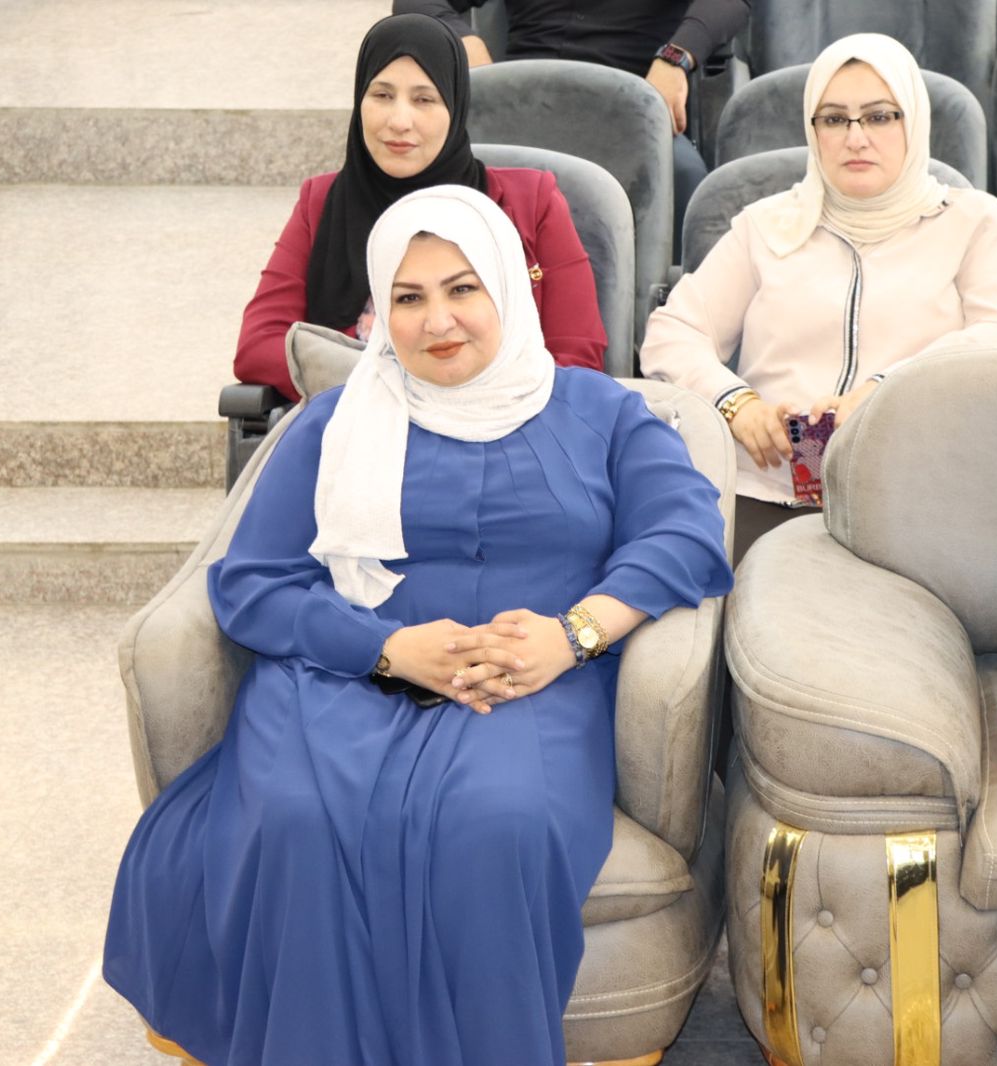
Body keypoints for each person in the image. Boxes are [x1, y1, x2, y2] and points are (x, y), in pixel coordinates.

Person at [104, 184, 733, 1065]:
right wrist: (389, 648)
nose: (438, 320)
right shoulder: (332, 423)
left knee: (496, 823)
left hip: (527, 684)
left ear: (507, 285)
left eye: (462, 288)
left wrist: (573, 636)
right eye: (408, 297)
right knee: (295, 819)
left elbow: (685, 532)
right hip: (345, 677)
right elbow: (252, 583)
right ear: (379, 311)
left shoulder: (602, 413)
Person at [639, 33, 997, 563]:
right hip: (765, 488)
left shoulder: (977, 223)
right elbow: (674, 332)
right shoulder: (767, 226)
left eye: (879, 117)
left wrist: (886, 389)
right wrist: (734, 402)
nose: (856, 138)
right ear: (814, 131)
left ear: (914, 121)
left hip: (920, 496)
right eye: (834, 119)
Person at [235, 13, 606, 404]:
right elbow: (259, 346)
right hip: (359, 423)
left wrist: (455, 402)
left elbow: (578, 355)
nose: (399, 121)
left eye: (424, 99)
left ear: (455, 107)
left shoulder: (531, 201)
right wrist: (396, 393)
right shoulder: (322, 200)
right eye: (382, 95)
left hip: (502, 424)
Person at [395, 0, 751, 249]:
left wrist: (676, 57)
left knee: (684, 175)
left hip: (630, 109)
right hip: (520, 102)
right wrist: (463, 39)